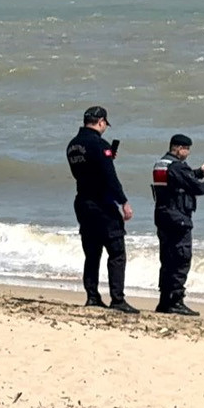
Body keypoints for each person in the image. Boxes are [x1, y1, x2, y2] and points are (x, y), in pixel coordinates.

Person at [65, 105, 138, 313]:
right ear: (101, 122)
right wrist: (123, 201)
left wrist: (104, 159)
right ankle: (117, 299)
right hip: (102, 204)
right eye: (105, 124)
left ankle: (92, 296)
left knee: (92, 252)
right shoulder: (100, 144)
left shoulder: (72, 145)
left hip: (82, 202)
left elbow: (86, 171)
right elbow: (109, 177)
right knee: (116, 251)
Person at [151, 133, 204, 316]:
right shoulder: (176, 166)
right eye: (187, 149)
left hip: (163, 216)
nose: (187, 153)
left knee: (167, 259)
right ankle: (175, 301)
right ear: (179, 148)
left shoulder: (161, 163)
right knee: (181, 258)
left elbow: (179, 179)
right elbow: (197, 188)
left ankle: (165, 301)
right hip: (178, 218)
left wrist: (199, 171)